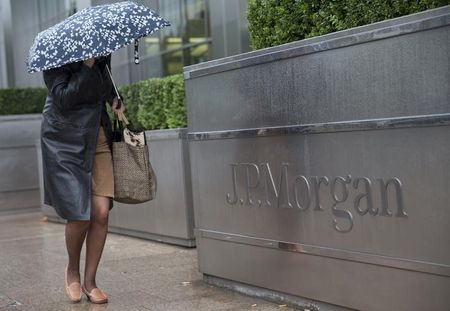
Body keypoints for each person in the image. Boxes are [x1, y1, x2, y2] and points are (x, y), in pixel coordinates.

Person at [40, 54, 125, 304]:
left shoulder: (101, 54)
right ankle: (72, 271)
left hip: (97, 136)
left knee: (101, 212)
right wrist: (86, 66)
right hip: (63, 139)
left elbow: (105, 85)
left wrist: (114, 99)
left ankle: (90, 282)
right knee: (79, 214)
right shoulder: (54, 58)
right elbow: (65, 98)